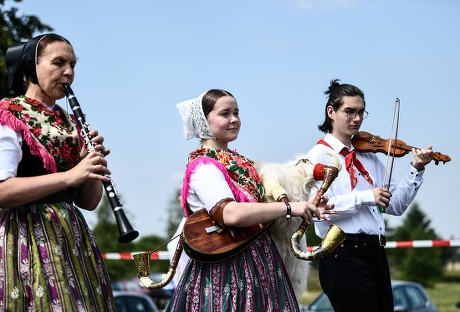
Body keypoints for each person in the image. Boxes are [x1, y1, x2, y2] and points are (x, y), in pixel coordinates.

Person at [166, 89, 335, 311]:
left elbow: (263, 210)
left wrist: (306, 206)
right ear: (204, 121)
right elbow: (230, 214)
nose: (234, 119)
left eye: (236, 112)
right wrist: (289, 207)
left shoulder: (242, 163)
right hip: (224, 270)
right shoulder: (204, 166)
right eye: (225, 114)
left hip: (260, 264)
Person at [0, 33, 115, 311]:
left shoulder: (71, 122)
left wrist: (91, 163)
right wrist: (69, 176)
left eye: (73, 64)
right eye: (59, 63)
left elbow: (88, 202)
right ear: (31, 68)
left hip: (70, 237)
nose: (69, 72)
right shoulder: (10, 114)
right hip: (27, 235)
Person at [306, 79, 434, 312]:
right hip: (342, 253)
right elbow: (318, 209)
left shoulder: (371, 157)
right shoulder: (318, 155)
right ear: (331, 112)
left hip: (375, 252)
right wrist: (367, 197)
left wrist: (416, 168)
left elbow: (395, 206)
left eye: (361, 112)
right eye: (349, 112)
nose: (356, 119)